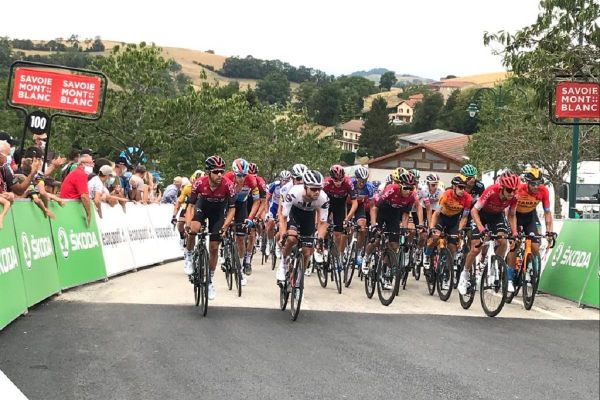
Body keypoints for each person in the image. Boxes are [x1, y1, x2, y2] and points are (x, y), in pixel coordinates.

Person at [458, 170, 519, 295]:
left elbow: (512, 215)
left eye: (514, 190)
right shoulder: (491, 190)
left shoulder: (514, 197)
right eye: (509, 190)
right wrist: (481, 228)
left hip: (497, 216)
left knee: (503, 240)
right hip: (481, 215)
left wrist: (514, 232)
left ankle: (494, 265)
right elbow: (474, 211)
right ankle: (464, 274)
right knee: (475, 249)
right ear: (501, 188)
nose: (511, 193)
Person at [185, 156, 236, 301]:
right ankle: (188, 255)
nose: (220, 174)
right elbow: (191, 206)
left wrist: (225, 226)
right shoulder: (199, 183)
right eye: (216, 172)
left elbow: (232, 209)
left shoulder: (228, 185)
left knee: (214, 247)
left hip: (218, 212)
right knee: (194, 229)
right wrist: (188, 223)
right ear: (208, 172)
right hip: (203, 207)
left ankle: (210, 280)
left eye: (221, 171)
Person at [505, 166, 555, 292]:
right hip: (515, 216)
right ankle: (509, 279)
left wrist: (549, 231)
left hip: (530, 217)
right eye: (533, 184)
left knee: (535, 246)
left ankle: (531, 269)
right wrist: (514, 231)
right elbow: (509, 211)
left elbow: (547, 212)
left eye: (538, 183)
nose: (536, 186)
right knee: (514, 245)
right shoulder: (518, 190)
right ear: (527, 182)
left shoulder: (543, 191)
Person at [277, 170, 329, 282]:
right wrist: (282, 236)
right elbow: (283, 217)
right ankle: (283, 264)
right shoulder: (294, 193)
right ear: (305, 187)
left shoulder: (323, 198)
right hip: (294, 213)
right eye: (314, 189)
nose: (317, 192)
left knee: (306, 252)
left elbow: (323, 222)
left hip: (309, 216)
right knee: (291, 238)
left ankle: (299, 280)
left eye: (319, 189)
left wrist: (320, 239)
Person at [426, 175, 472, 281]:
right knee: (435, 237)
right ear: (454, 187)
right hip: (442, 218)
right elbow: (436, 213)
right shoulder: (446, 195)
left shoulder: (467, 198)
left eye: (464, 188)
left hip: (454, 220)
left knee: (452, 247)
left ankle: (446, 269)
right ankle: (427, 256)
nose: (463, 190)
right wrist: (432, 228)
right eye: (460, 187)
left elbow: (464, 217)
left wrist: (460, 230)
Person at [223, 158, 260, 283]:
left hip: (241, 205)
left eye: (244, 175)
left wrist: (250, 218)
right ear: (233, 173)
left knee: (240, 237)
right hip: (227, 204)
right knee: (222, 227)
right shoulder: (227, 178)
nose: (241, 178)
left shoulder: (251, 180)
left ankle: (239, 268)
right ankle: (225, 248)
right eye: (239, 175)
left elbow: (256, 202)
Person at [322, 164, 357, 263]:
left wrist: (348, 218)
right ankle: (320, 247)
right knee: (323, 226)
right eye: (335, 180)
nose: (338, 182)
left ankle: (335, 255)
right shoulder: (326, 182)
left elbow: (355, 203)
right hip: (327, 204)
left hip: (340, 206)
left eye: (340, 180)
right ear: (331, 178)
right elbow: (319, 201)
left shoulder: (348, 182)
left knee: (338, 233)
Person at [59, 153, 94, 226]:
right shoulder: (80, 174)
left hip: (69, 205)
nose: (92, 165)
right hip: (70, 208)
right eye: (90, 163)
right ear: (82, 164)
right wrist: (89, 214)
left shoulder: (77, 172)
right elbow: (84, 196)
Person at [351, 165, 374, 267]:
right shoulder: (350, 184)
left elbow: (372, 206)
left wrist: (373, 221)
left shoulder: (369, 188)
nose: (362, 183)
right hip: (347, 205)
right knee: (345, 228)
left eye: (364, 181)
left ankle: (359, 252)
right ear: (356, 178)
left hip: (359, 206)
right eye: (360, 180)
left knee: (363, 228)